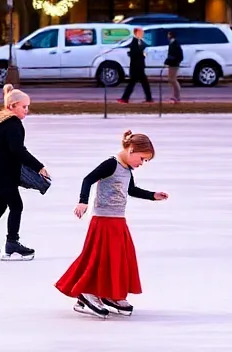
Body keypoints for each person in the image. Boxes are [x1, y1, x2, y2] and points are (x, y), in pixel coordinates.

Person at [56, 130, 168, 319]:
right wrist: (83, 201)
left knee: (118, 258)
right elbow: (88, 179)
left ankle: (110, 293)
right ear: (131, 149)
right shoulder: (111, 164)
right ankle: (86, 291)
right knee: (98, 257)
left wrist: (152, 196)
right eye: (142, 159)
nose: (141, 164)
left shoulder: (127, 169)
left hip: (118, 220)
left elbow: (131, 190)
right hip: (103, 220)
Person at [0, 84, 48, 260]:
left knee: (1, 205)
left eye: (27, 107)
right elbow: (18, 150)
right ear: (12, 106)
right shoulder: (13, 124)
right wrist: (39, 167)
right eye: (24, 106)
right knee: (16, 206)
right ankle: (12, 244)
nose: (27, 110)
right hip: (3, 175)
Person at [117, 27, 152, 104]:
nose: (142, 34)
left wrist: (142, 54)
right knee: (135, 83)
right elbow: (135, 53)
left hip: (139, 66)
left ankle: (125, 98)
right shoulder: (134, 42)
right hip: (135, 67)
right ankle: (125, 98)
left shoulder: (140, 42)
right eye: (141, 33)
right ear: (136, 33)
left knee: (138, 83)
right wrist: (142, 55)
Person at [163, 30, 183, 104]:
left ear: (171, 35)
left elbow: (178, 55)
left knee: (173, 80)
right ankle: (175, 96)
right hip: (172, 64)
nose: (167, 36)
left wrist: (173, 61)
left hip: (174, 64)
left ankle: (177, 96)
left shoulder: (175, 44)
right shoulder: (172, 43)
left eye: (168, 34)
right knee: (171, 80)